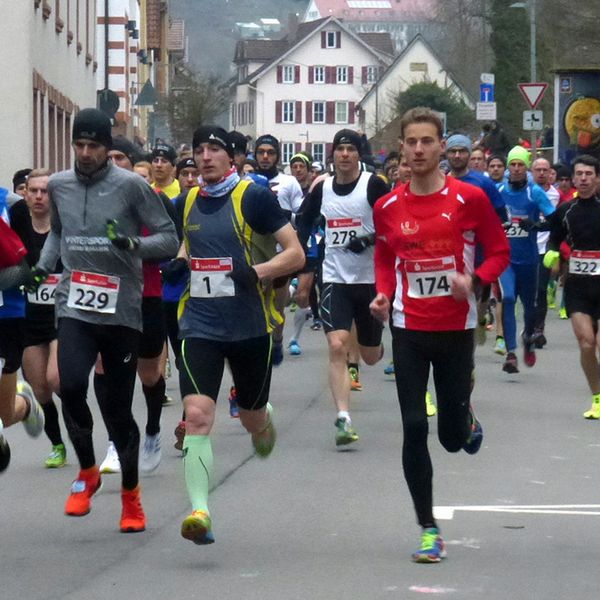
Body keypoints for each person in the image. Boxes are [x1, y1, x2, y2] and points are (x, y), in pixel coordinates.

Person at [370, 107, 510, 563]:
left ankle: (464, 417)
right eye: (411, 142)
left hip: (456, 328)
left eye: (427, 141)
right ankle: (428, 528)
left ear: (441, 146)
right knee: (414, 426)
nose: (418, 150)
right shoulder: (387, 207)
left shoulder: (470, 198)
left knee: (451, 438)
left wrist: (476, 281)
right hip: (408, 327)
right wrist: (383, 294)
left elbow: (499, 250)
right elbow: (384, 258)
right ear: (402, 148)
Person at [34, 108, 179, 532]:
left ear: (107, 147)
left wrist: (132, 244)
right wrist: (42, 267)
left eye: (93, 146)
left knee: (116, 409)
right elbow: (57, 232)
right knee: (69, 385)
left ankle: (131, 496)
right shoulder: (59, 185)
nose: (85, 153)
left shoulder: (132, 186)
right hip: (75, 305)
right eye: (79, 145)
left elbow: (168, 238)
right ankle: (87, 471)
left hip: (121, 312)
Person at [170, 126, 304, 544]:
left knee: (251, 418)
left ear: (232, 157)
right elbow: (188, 242)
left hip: (249, 326)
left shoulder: (253, 197)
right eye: (199, 150)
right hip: (199, 323)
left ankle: (264, 421)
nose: (205, 157)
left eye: (214, 150)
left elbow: (295, 254)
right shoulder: (186, 200)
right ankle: (200, 511)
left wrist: (258, 272)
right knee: (197, 416)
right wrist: (179, 261)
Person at [298, 129, 388, 446]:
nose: (345, 154)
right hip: (334, 278)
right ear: (333, 155)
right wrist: (299, 251)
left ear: (359, 155)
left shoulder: (373, 185)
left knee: (371, 355)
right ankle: (343, 418)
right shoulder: (322, 188)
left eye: (351, 149)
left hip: (369, 280)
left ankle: (376, 347)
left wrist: (369, 238)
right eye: (340, 149)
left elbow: (393, 224)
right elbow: (303, 221)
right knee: (337, 345)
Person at [97, 135, 181, 475]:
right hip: (106, 296)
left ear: (133, 165)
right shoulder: (93, 200)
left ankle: (152, 430)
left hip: (147, 295)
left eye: (120, 157)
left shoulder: (155, 200)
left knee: (148, 374)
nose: (114, 163)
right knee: (106, 370)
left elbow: (170, 245)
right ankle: (115, 442)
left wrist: (132, 247)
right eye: (110, 157)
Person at [9, 168, 67, 467]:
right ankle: (57, 445)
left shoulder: (64, 225)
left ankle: (81, 434)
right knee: (40, 388)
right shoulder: (17, 221)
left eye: (45, 191)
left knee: (56, 380)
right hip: (29, 317)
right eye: (33, 191)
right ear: (25, 194)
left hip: (62, 316)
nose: (39, 196)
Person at [544, 155, 600, 419]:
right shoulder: (566, 211)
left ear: (597, 178)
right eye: (580, 174)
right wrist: (552, 254)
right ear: (574, 178)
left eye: (589, 174)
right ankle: (597, 398)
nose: (584, 179)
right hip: (578, 287)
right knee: (586, 343)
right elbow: (554, 238)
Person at [0, 185, 46, 473]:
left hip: (6, 316)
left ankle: (25, 403)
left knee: (6, 415)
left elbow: (30, 265)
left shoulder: (11, 204)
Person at [497, 146, 555, 373]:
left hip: (529, 260)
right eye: (513, 164)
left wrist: (535, 225)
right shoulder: (499, 190)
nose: (516, 168)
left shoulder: (534, 192)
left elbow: (553, 221)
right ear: (508, 167)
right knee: (508, 298)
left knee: (530, 306)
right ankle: (511, 353)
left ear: (526, 168)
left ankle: (528, 337)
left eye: (520, 164)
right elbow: (486, 217)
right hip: (506, 260)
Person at [254, 134, 304, 365]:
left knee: (277, 305)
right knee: (255, 305)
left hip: (281, 252)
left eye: (270, 152)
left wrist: (285, 215)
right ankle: (257, 346)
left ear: (277, 155)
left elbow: (301, 214)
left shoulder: (289, 182)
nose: (265, 157)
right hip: (254, 252)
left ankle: (277, 339)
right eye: (261, 152)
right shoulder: (245, 181)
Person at [531, 158, 560, 348]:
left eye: (545, 170)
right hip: (526, 248)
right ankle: (528, 326)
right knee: (526, 292)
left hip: (545, 249)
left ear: (550, 173)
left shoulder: (556, 195)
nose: (542, 173)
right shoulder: (526, 191)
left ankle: (538, 329)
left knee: (541, 290)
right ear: (532, 172)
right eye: (538, 169)